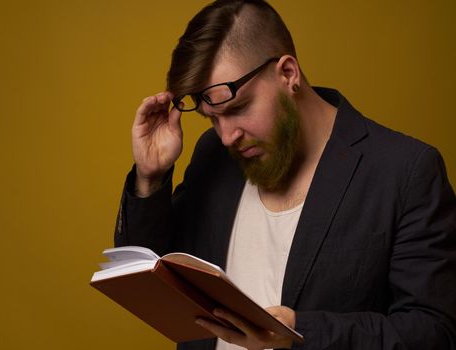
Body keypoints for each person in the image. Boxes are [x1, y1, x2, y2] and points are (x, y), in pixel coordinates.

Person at [113, 0, 456, 349]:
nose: (226, 135)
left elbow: (433, 332)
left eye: (238, 109)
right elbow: (151, 276)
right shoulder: (213, 154)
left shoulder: (407, 171)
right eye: (212, 118)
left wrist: (298, 333)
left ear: (288, 74)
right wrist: (150, 176)